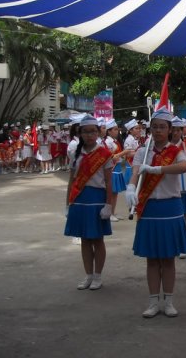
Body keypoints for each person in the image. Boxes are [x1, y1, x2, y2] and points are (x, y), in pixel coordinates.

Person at [126, 107, 186, 318]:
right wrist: (131, 187)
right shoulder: (143, 152)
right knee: (152, 259)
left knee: (168, 258)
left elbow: (184, 166)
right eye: (155, 127)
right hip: (149, 207)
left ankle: (168, 301)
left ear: (170, 129)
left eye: (163, 127)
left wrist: (157, 169)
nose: (158, 131)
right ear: (150, 129)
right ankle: (153, 301)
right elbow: (135, 172)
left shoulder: (175, 151)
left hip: (170, 206)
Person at [64, 115, 114, 291]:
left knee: (97, 240)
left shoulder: (104, 154)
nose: (89, 135)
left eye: (93, 131)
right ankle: (88, 275)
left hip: (97, 200)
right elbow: (71, 181)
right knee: (85, 240)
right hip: (79, 199)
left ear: (98, 132)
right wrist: (67, 203)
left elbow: (109, 182)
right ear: (80, 133)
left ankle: (98, 276)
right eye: (85, 132)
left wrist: (109, 205)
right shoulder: (75, 153)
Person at [170, 117, 186, 259]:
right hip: (168, 187)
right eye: (173, 130)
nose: (175, 133)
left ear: (182, 131)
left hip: (184, 186)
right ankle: (170, 244)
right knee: (169, 217)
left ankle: (182, 246)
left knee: (182, 217)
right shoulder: (164, 147)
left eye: (178, 130)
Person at [104, 119, 127, 222]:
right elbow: (111, 157)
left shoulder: (115, 141)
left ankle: (113, 211)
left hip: (117, 167)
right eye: (115, 129)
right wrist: (124, 153)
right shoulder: (108, 142)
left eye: (117, 129)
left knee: (115, 192)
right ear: (109, 131)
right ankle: (110, 213)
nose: (117, 131)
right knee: (112, 192)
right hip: (112, 168)